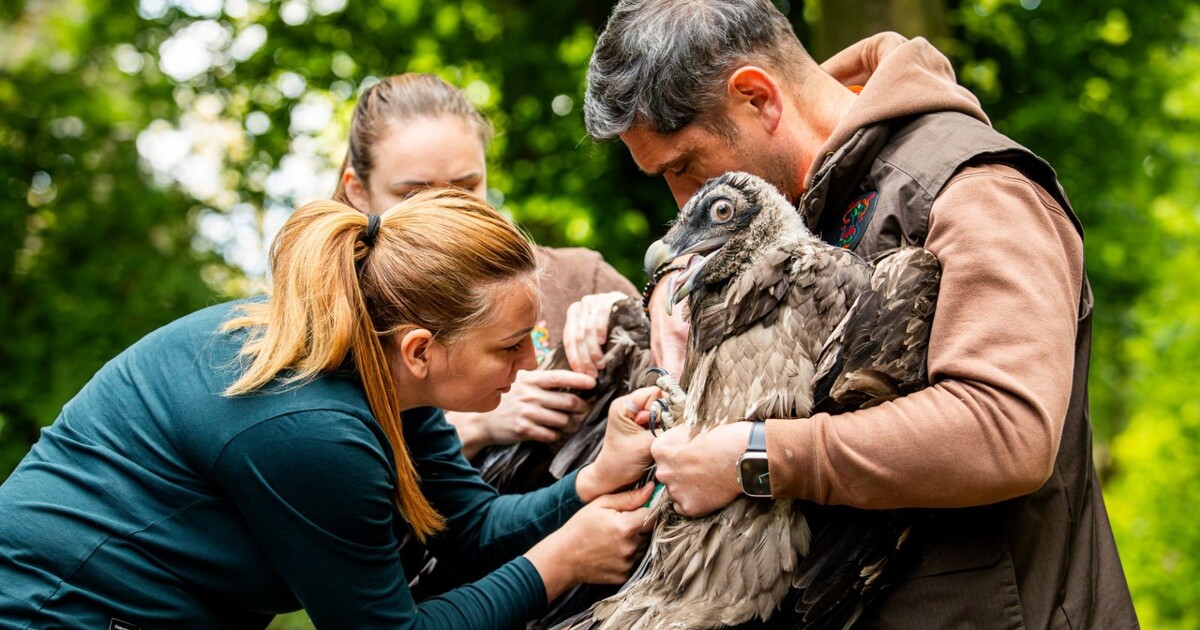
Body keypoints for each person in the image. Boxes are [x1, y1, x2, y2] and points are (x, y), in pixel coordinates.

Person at [583, 0, 1138, 627]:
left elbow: (1005, 429)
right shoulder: (794, 206)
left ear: (758, 98)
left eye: (684, 166)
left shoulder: (973, 186)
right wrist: (673, 282)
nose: (685, 198)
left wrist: (755, 459)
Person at [0, 190, 657, 627]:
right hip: (52, 610)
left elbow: (470, 530)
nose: (528, 365)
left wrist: (592, 482)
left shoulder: (382, 374)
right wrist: (559, 563)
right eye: (511, 346)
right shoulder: (313, 429)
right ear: (421, 349)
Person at [333, 73, 638, 460]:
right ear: (356, 190)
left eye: (467, 186)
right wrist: (473, 425)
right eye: (413, 193)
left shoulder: (579, 279)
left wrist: (630, 319)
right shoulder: (335, 324)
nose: (449, 207)